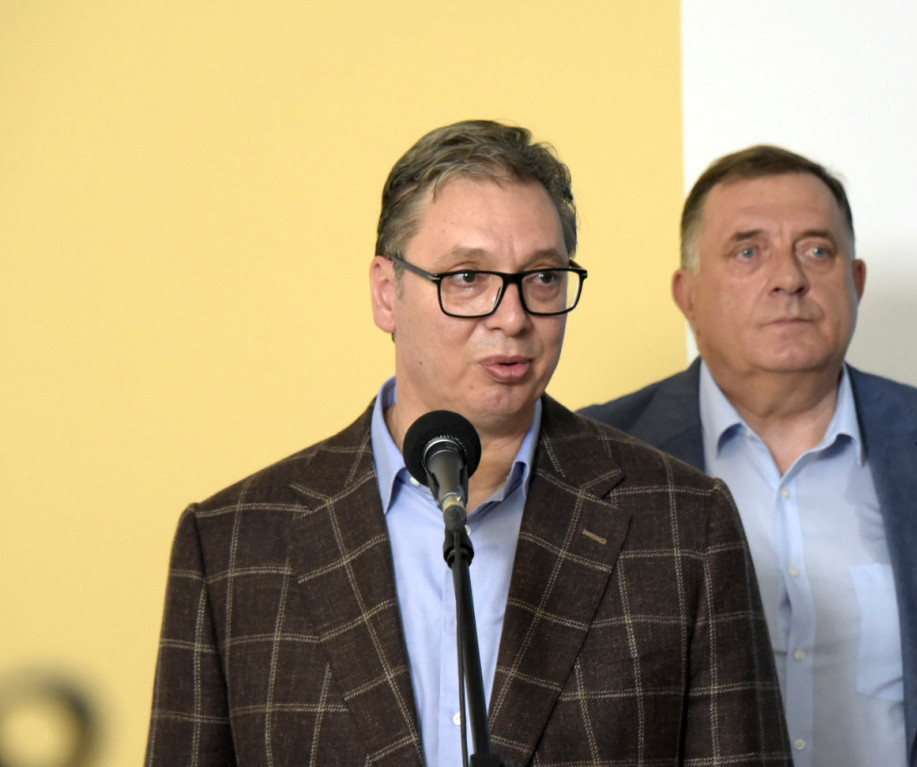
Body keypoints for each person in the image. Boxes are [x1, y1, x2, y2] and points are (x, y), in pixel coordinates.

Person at [146, 121, 792, 767]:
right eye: (467, 277)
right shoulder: (233, 544)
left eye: (543, 277)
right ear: (386, 293)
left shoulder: (684, 523)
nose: (512, 316)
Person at [582, 145, 917, 767]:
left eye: (816, 250)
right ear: (687, 294)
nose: (789, 278)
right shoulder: (594, 461)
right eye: (748, 251)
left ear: (856, 283)